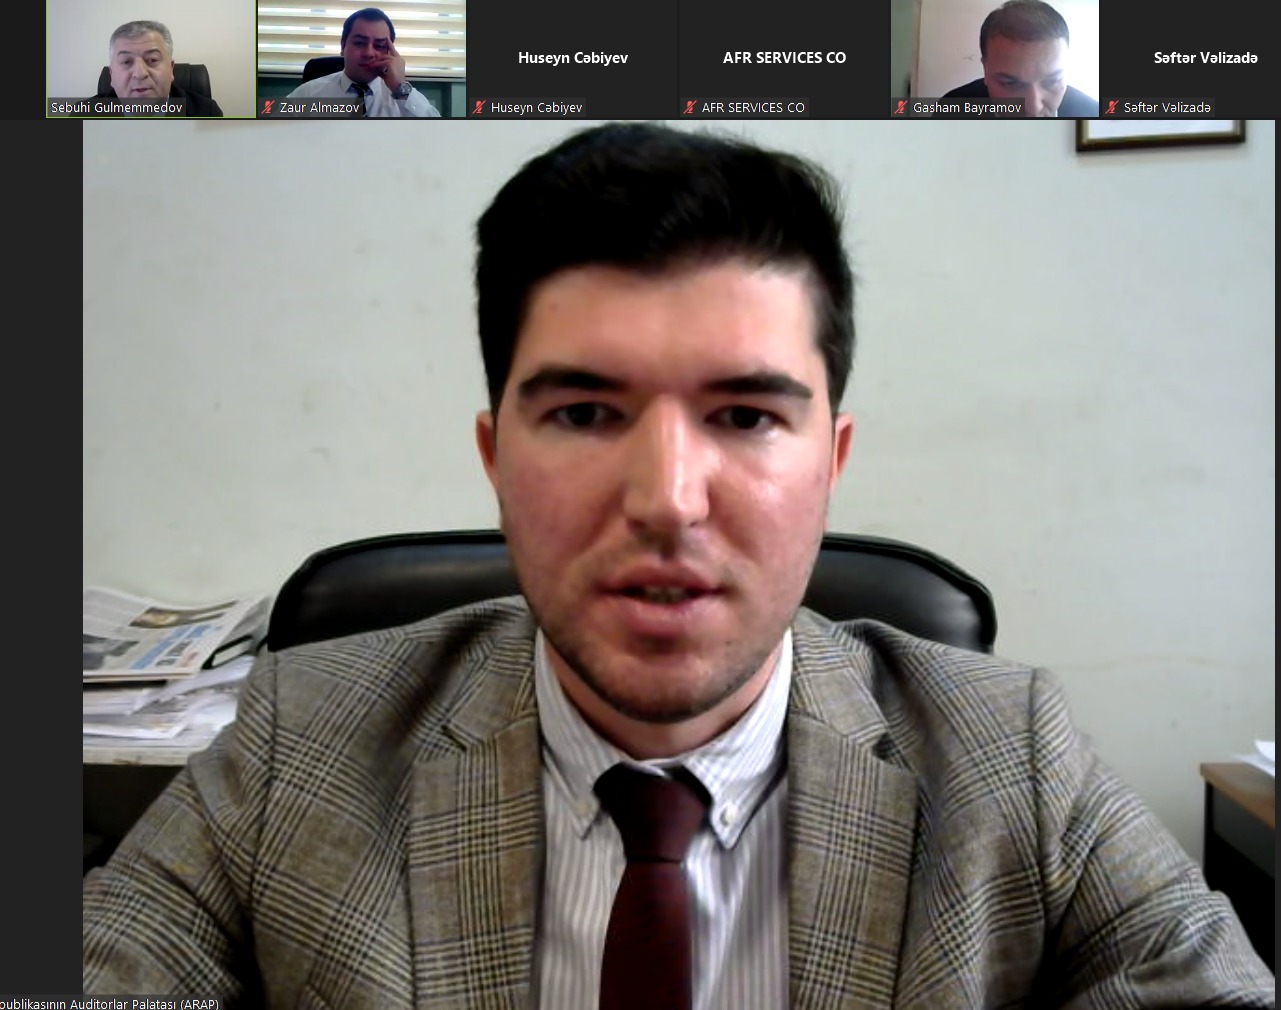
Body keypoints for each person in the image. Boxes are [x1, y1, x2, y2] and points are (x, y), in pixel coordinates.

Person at [83, 123, 1274, 1007]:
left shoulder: (1013, 757)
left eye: (746, 415)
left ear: (831, 462)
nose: (666, 499)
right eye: (585, 412)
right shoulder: (299, 742)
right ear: (496, 459)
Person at [941, 0, 1098, 117]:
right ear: (985, 70)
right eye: (1010, 83)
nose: (1033, 108)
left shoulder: (1093, 115)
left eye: (1052, 81)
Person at [285, 7, 440, 118]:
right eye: (359, 43)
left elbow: (436, 135)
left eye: (380, 46)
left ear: (390, 52)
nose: (369, 53)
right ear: (343, 46)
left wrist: (401, 88)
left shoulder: (403, 98)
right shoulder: (310, 94)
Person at [91, 20, 223, 117]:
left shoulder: (207, 113)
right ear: (111, 74)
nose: (140, 73)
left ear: (171, 69)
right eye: (126, 62)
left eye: (152, 60)